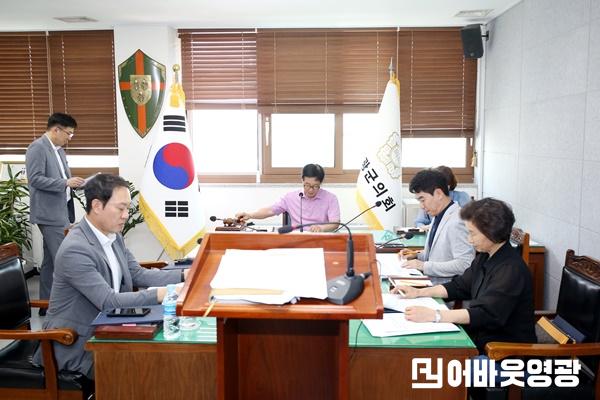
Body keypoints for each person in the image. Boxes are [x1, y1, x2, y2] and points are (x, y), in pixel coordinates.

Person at [33, 174, 186, 380]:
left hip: (110, 327)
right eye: (121, 208)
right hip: (76, 343)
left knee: (169, 357)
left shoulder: (113, 236)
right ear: (97, 206)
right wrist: (167, 292)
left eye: (128, 208)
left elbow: (137, 273)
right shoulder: (76, 249)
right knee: (155, 369)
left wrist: (185, 275)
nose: (126, 215)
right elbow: (108, 301)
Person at [394, 198, 536, 352]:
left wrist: (435, 315)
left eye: (472, 234)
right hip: (477, 339)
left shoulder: (511, 270)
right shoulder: (486, 255)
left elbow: (485, 314)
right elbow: (459, 286)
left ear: (492, 232)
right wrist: (418, 292)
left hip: (501, 353)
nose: (469, 240)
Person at [25, 113, 86, 310]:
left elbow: (62, 179)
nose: (70, 138)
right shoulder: (37, 148)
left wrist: (75, 183)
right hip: (49, 213)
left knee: (51, 261)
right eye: (68, 133)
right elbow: (35, 179)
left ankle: (47, 304)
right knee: (63, 258)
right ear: (56, 129)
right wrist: (65, 182)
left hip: (61, 209)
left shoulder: (59, 150)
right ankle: (65, 305)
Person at [400, 169, 474, 284]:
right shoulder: (438, 215)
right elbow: (436, 256)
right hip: (431, 283)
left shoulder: (457, 221)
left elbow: (465, 264)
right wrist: (416, 255)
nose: (421, 206)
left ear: (439, 194)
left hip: (446, 289)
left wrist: (423, 265)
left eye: (423, 200)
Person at [236, 163, 340, 232]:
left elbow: (335, 223)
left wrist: (321, 228)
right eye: (307, 185)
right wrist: (250, 215)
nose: (310, 190)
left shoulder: (330, 198)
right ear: (302, 180)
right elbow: (269, 211)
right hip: (297, 240)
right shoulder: (291, 197)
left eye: (315, 186)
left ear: (321, 183)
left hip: (321, 239)